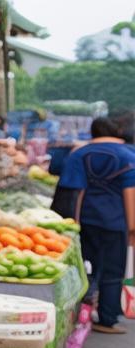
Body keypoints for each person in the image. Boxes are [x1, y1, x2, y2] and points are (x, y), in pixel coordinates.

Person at [57, 116, 135, 333]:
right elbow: (131, 194)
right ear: (117, 131)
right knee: (113, 271)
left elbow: (71, 190)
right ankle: (107, 319)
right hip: (116, 223)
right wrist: (132, 228)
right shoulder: (128, 156)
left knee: (84, 267)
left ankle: (76, 313)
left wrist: (70, 223)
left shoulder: (79, 154)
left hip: (85, 222)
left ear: (92, 133)